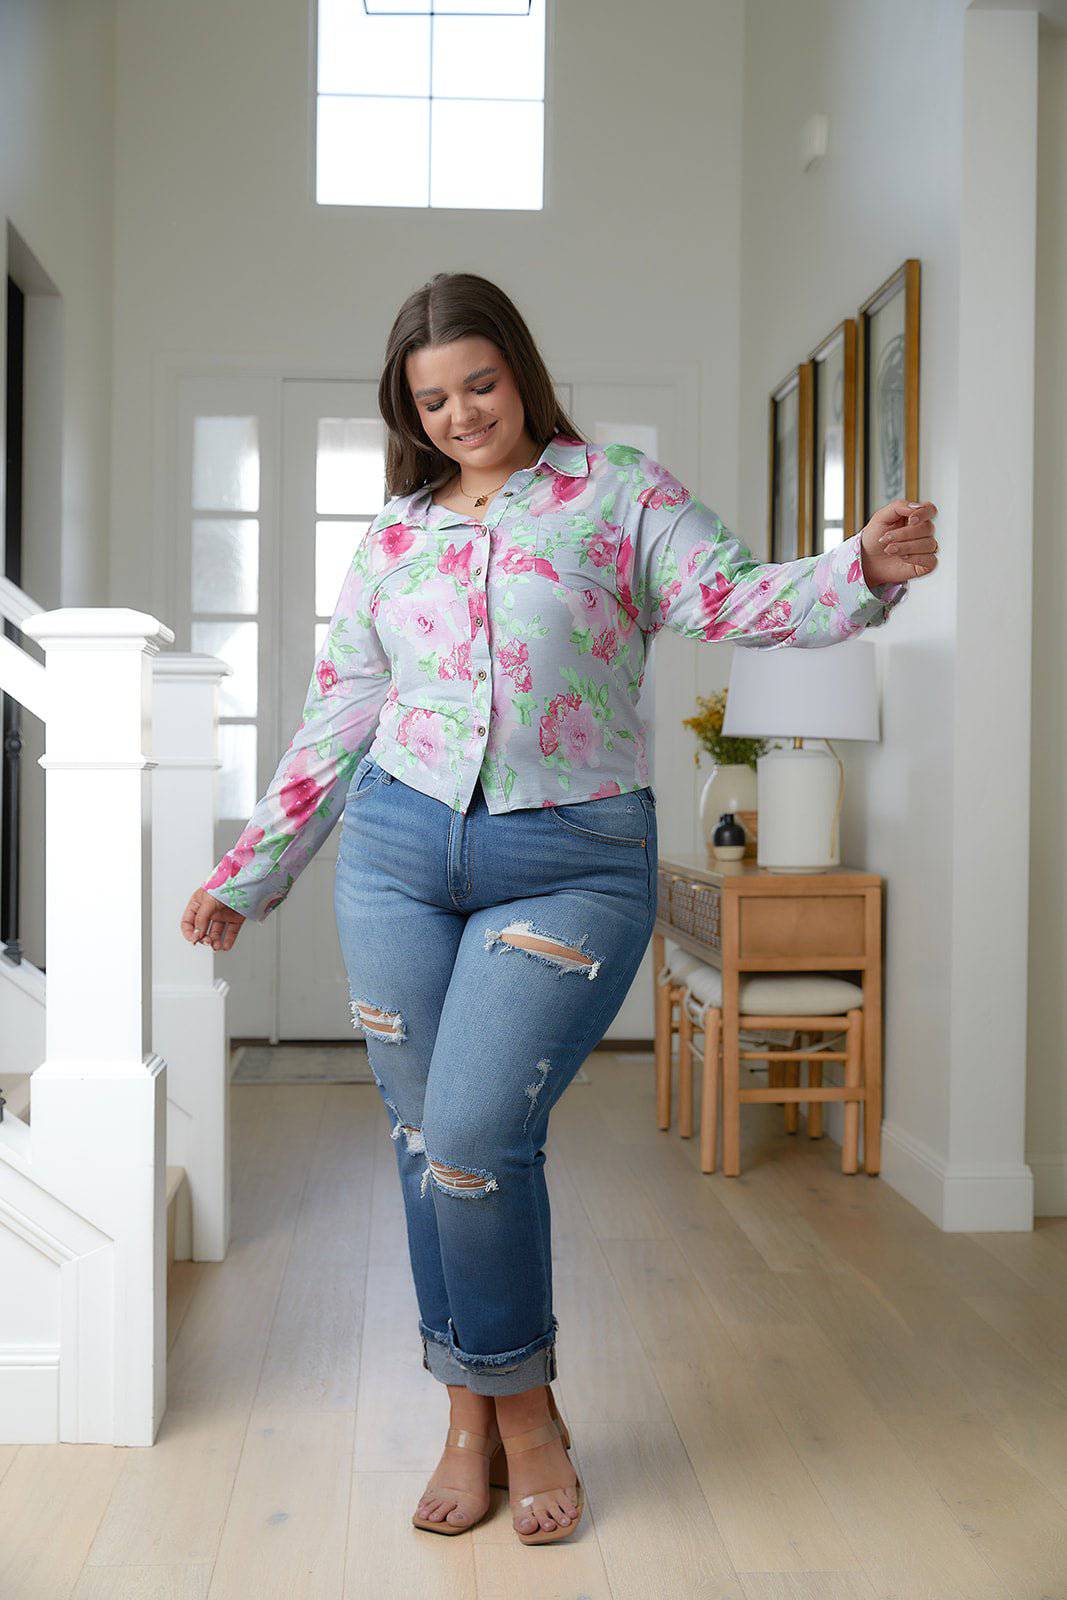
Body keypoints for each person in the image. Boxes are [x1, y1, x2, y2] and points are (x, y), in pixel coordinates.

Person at [179, 271, 938, 1544]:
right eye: (432, 400)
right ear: (408, 412)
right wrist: (248, 872)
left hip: (571, 858)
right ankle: (465, 1413)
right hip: (396, 853)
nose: (460, 414)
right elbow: (338, 717)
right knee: (424, 1143)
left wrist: (856, 567)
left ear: (519, 372)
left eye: (478, 383)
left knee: (475, 1132)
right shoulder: (392, 539)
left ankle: (524, 1410)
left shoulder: (617, 492)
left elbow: (734, 595)